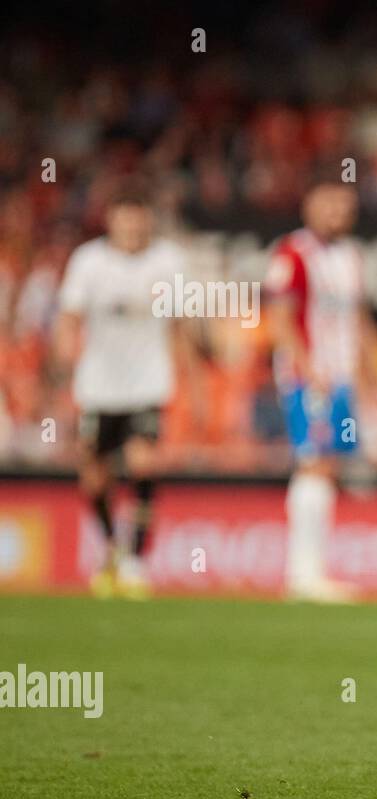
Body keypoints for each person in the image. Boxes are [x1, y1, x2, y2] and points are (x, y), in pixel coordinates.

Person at [56, 182, 190, 599]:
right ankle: (112, 544)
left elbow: (180, 326)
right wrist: (64, 366)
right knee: (94, 478)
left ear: (147, 221)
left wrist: (194, 381)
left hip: (149, 382)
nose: (132, 228)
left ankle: (134, 559)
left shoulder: (168, 261)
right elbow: (69, 318)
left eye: (138, 220)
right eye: (124, 220)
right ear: (111, 221)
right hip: (98, 385)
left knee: (142, 463)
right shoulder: (89, 262)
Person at [263, 178, 377, 602]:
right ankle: (303, 573)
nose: (337, 213)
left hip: (342, 377)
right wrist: (307, 370)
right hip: (309, 377)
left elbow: (360, 319)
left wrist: (371, 376)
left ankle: (312, 570)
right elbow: (280, 318)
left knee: (328, 465)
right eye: (328, 204)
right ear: (309, 206)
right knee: (313, 461)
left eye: (344, 205)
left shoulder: (351, 256)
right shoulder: (292, 252)